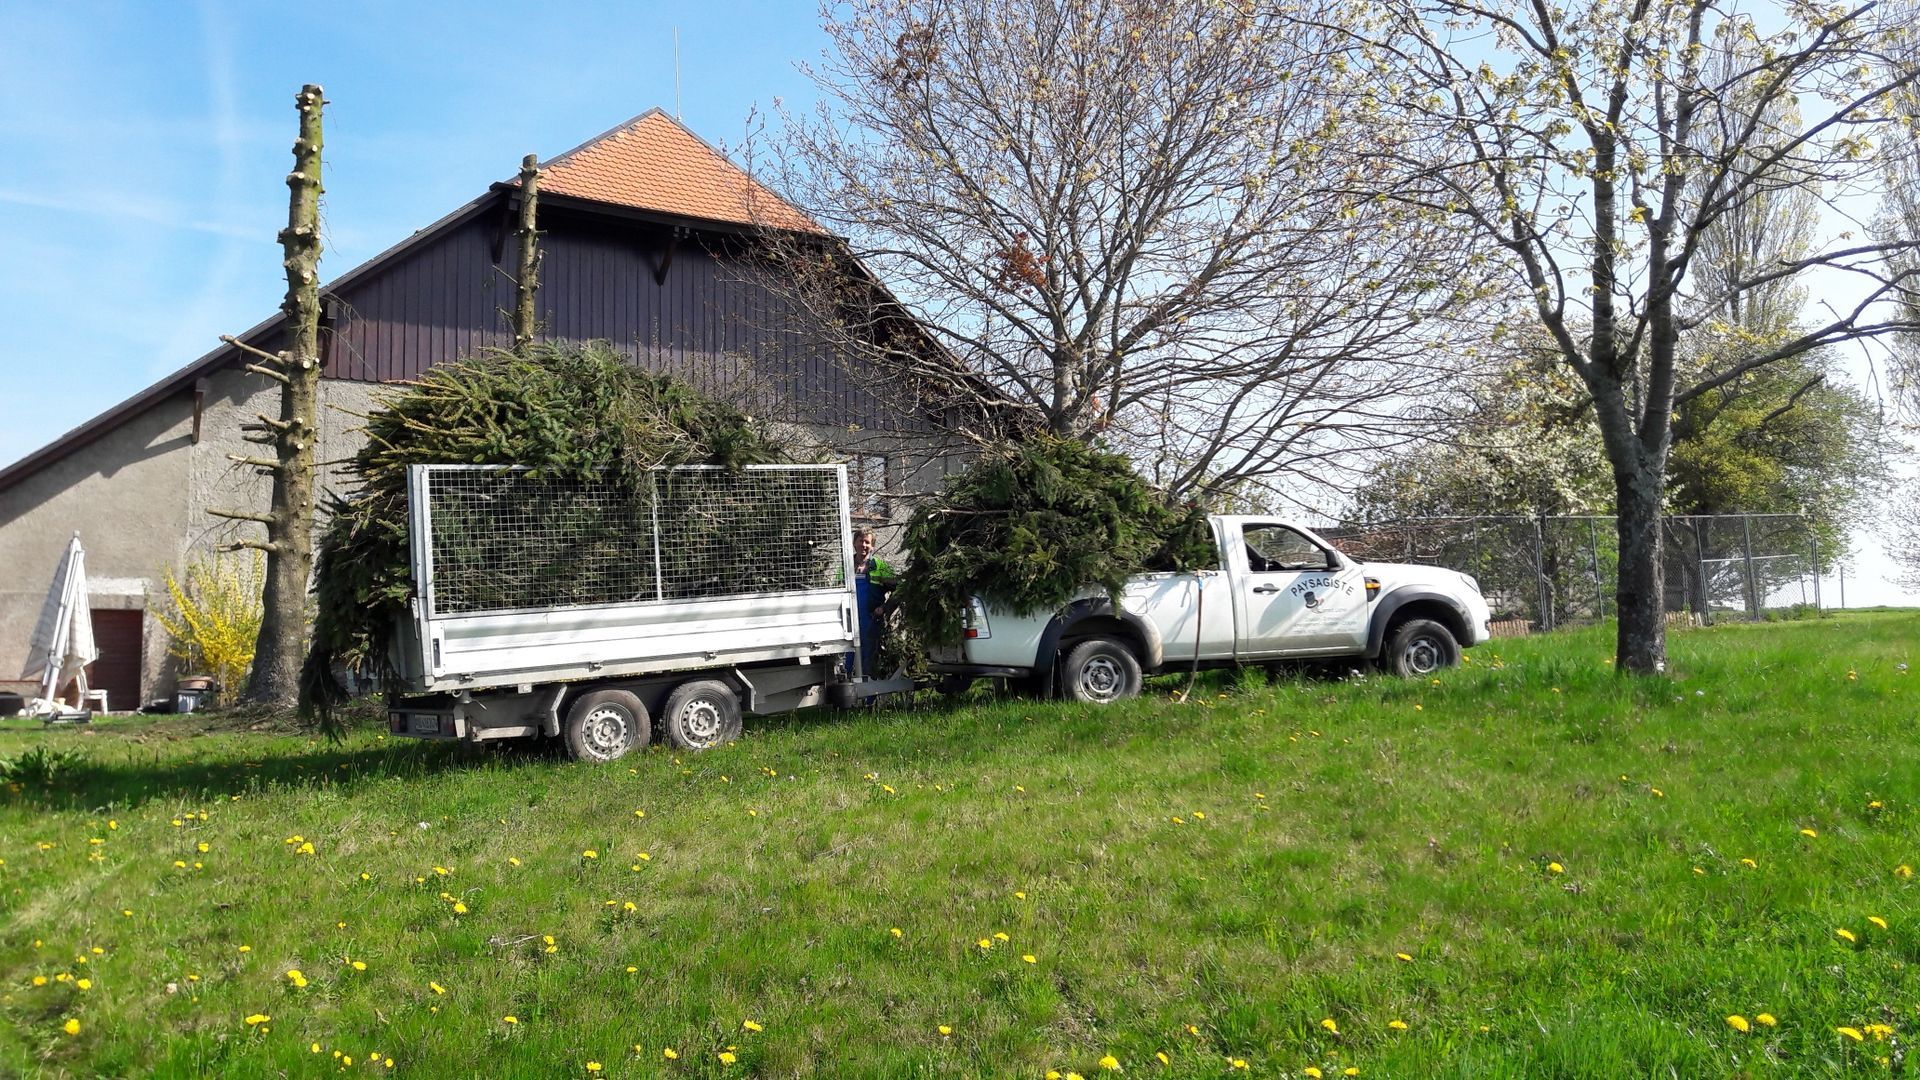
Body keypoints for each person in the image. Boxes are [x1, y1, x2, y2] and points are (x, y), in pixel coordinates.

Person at [852, 528, 896, 676]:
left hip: (871, 622)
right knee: (848, 661)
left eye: (867, 542)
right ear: (854, 543)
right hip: (850, 623)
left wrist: (884, 607)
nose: (863, 545)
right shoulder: (846, 567)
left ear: (872, 547)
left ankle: (869, 697)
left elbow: (900, 588)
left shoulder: (879, 566)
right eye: (860, 541)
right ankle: (848, 697)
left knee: (869, 661)